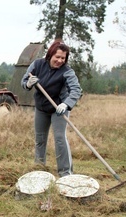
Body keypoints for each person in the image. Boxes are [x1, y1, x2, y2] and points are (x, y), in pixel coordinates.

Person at [21, 41, 82, 177]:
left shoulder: (67, 71)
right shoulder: (37, 64)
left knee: (60, 138)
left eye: (63, 58)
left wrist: (66, 104)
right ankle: (39, 170)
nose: (60, 60)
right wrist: (29, 83)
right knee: (40, 138)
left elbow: (76, 90)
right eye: (57, 57)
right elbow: (24, 81)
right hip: (42, 108)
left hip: (59, 108)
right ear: (50, 55)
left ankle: (65, 173)